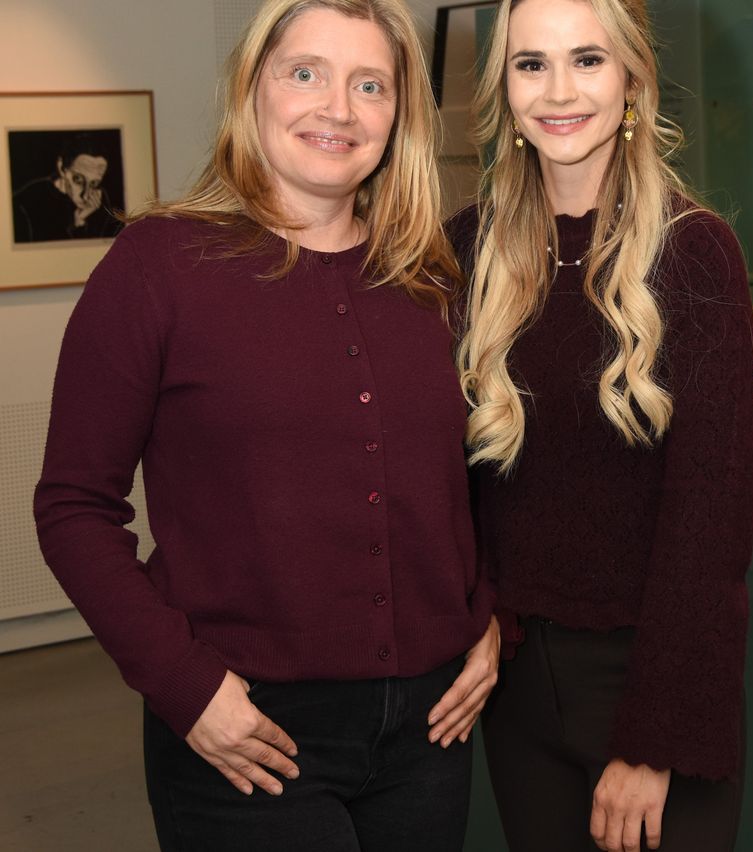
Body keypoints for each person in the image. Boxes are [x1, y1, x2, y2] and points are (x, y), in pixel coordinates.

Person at [34, 0, 498, 849]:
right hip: (245, 727)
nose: (339, 109)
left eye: (371, 84)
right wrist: (185, 687)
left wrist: (487, 614)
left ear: (400, 117)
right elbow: (72, 508)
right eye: (306, 74)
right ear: (254, 92)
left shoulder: (433, 275)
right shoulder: (159, 266)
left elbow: (470, 480)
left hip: (431, 731)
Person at [448, 1, 753, 850]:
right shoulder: (466, 251)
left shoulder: (695, 252)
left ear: (631, 79)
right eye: (530, 64)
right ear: (504, 88)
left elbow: (710, 521)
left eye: (586, 60)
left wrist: (654, 740)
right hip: (513, 681)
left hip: (653, 677)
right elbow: (449, 483)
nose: (558, 91)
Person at [12, 132, 122, 242]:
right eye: (78, 179)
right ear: (61, 168)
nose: (85, 195)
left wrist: (80, 221)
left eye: (94, 183)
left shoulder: (101, 203)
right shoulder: (25, 203)